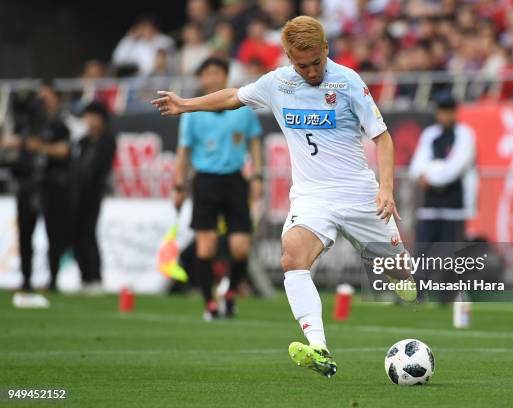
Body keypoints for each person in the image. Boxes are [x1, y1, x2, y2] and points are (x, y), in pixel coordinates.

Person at [152, 16, 414, 378]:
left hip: (359, 194)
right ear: (289, 58)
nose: (309, 72)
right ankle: (319, 347)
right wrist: (185, 104)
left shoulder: (349, 82)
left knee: (402, 280)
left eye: (316, 63)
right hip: (311, 197)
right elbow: (232, 96)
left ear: (326, 49)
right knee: (292, 257)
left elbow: (382, 138)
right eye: (301, 64)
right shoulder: (277, 83)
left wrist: (386, 188)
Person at [173, 57, 264, 321]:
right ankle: (209, 303)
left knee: (241, 247)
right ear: (202, 79)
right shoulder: (193, 112)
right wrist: (179, 184)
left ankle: (231, 293)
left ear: (225, 77)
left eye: (217, 73)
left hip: (235, 180)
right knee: (206, 248)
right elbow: (183, 151)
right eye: (207, 74)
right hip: (205, 182)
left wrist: (257, 175)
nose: (212, 78)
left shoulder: (242, 109)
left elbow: (255, 142)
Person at [408, 94, 478, 302]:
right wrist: (433, 172)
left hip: (454, 206)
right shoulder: (430, 134)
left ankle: (449, 296)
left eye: (449, 110)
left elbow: (455, 168)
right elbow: (416, 167)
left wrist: (431, 174)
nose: (445, 115)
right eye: (442, 110)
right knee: (421, 252)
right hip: (429, 205)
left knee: (452, 255)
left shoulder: (465, 135)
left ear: (455, 112)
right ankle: (416, 293)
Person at [3, 84, 72, 292]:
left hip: (51, 185)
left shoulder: (60, 124)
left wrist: (38, 146)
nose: (41, 101)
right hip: (26, 184)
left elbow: (65, 150)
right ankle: (25, 280)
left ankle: (53, 280)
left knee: (54, 233)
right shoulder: (26, 125)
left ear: (57, 98)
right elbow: (9, 145)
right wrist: (17, 144)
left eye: (46, 96)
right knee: (25, 234)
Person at [72, 101, 116, 293]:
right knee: (76, 235)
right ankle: (84, 276)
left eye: (93, 116)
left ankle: (95, 277)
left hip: (93, 192)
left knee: (88, 233)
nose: (89, 121)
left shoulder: (107, 141)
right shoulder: (82, 142)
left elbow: (99, 167)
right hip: (76, 192)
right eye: (87, 116)